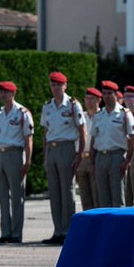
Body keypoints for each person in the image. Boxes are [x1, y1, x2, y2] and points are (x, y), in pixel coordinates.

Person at [40, 71, 86, 245]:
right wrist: (46, 154)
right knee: (54, 192)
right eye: (53, 85)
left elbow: (83, 131)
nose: (56, 88)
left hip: (67, 147)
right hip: (52, 148)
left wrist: (79, 154)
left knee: (67, 191)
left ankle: (68, 230)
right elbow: (45, 132)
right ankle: (58, 230)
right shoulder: (48, 106)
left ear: (65, 86)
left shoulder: (73, 105)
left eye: (59, 85)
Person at [0, 81, 33, 244]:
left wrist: (27, 161)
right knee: (3, 197)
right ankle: (5, 232)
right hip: (1, 154)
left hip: (15, 154)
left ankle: (16, 233)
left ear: (13, 93)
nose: (2, 95)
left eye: (6, 92)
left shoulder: (22, 113)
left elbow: (29, 139)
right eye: (1, 92)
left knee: (16, 196)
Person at [90, 80, 134, 207]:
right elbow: (93, 139)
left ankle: (118, 226)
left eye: (110, 93)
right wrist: (93, 161)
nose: (106, 96)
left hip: (117, 156)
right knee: (102, 197)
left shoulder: (124, 114)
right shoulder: (99, 115)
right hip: (100, 157)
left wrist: (127, 159)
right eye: (104, 93)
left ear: (116, 94)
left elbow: (133, 137)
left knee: (117, 196)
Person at [76, 87, 101, 210]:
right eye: (87, 98)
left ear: (98, 100)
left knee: (97, 196)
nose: (89, 101)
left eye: (92, 99)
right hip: (82, 157)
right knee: (85, 197)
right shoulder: (81, 117)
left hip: (96, 157)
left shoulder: (102, 115)